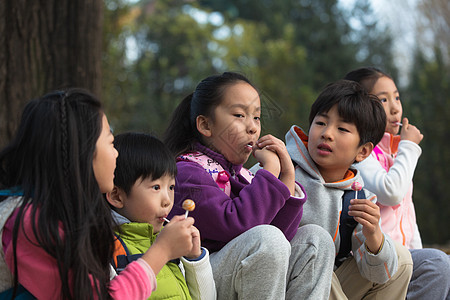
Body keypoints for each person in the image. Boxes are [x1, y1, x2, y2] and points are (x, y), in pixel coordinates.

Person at [0, 89, 198, 299]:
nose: (116, 153)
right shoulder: (29, 221)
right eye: (110, 142)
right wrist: (162, 251)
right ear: (83, 153)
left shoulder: (63, 214)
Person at [164, 72, 335, 299]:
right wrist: (269, 172)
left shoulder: (242, 174)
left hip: (237, 269)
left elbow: (282, 234)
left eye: (256, 117)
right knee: (267, 240)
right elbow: (237, 224)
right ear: (205, 125)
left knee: (315, 240)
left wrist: (287, 175)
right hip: (198, 279)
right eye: (239, 115)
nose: (253, 127)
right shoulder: (188, 172)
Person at [283, 80, 413, 299]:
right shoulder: (281, 167)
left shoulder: (358, 197)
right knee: (317, 248)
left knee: (400, 260)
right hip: (282, 281)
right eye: (321, 122)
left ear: (362, 151)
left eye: (342, 129)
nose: (327, 133)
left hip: (328, 285)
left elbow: (379, 274)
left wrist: (373, 236)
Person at [345, 67, 450, 300]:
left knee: (442, 267)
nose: (395, 108)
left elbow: (406, 213)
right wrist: (410, 147)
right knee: (440, 265)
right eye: (383, 99)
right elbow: (390, 192)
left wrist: (423, 253)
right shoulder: (361, 155)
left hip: (406, 256)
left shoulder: (393, 155)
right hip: (376, 259)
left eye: (397, 97)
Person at [105, 132, 216, 299]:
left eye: (171, 187)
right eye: (156, 187)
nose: (167, 201)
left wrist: (194, 259)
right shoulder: (108, 249)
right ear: (117, 196)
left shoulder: (170, 242)